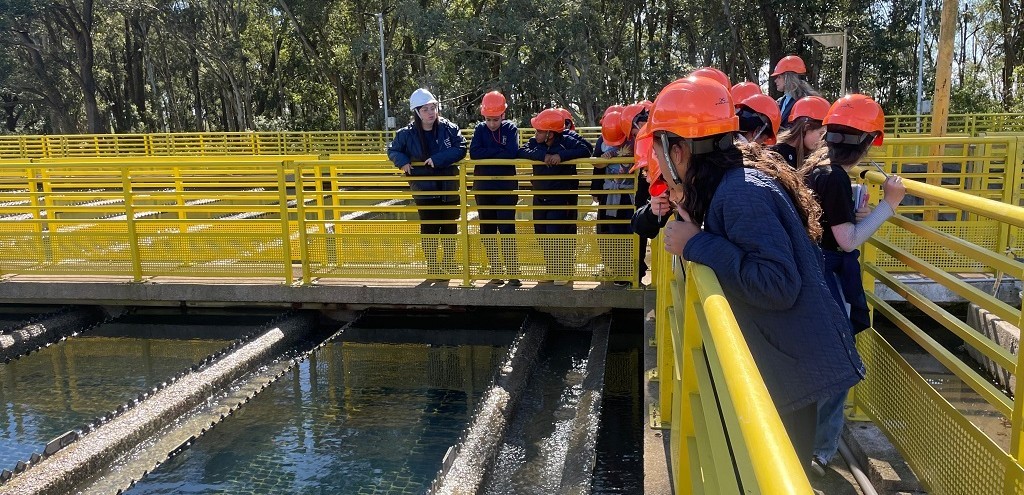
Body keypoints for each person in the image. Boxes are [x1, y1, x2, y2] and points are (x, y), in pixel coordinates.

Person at [645, 75, 865, 466]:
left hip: (790, 377)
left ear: (678, 151)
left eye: (659, 149)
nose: (659, 162)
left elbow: (776, 283)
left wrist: (694, 243)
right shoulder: (736, 181)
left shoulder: (741, 192)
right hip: (787, 366)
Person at [803, 94, 906, 476]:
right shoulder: (833, 177)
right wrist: (888, 205)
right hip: (830, 279)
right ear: (866, 143)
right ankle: (820, 452)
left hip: (812, 274)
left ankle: (809, 444)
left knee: (817, 361)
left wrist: (853, 210)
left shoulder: (817, 169)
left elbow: (831, 222)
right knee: (839, 366)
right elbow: (846, 240)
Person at [387, 88, 467, 282]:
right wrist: (402, 160)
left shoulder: (448, 128)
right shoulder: (407, 133)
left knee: (449, 225)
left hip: (448, 186)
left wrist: (438, 159)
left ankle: (449, 263)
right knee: (430, 226)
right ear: (417, 112)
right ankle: (433, 266)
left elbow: (461, 147)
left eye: (433, 108)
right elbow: (392, 150)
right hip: (424, 188)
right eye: (425, 109)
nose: (431, 112)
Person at [519, 108, 592, 285]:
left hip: (560, 197)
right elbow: (521, 151)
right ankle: (551, 270)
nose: (536, 134)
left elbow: (587, 149)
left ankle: (563, 271)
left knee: (558, 234)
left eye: (539, 131)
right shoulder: (534, 142)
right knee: (542, 233)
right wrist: (544, 156)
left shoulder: (568, 140)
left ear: (550, 134)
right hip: (540, 196)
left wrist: (561, 156)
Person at [469, 91, 521, 286]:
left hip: (505, 186)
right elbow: (474, 153)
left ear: (503, 115)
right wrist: (497, 152)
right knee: (487, 227)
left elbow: (512, 153)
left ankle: (513, 270)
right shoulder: (480, 130)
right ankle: (495, 269)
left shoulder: (510, 128)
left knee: (507, 226)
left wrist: (489, 154)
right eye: (488, 119)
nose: (492, 123)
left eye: (496, 119)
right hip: (483, 186)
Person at [594, 108, 633, 286]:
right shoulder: (601, 141)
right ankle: (610, 266)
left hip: (628, 194)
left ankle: (626, 271)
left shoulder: (634, 139)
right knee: (607, 230)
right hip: (608, 192)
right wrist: (595, 191)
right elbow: (597, 165)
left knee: (626, 231)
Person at [771, 96, 830, 168]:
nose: (822, 140)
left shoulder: (811, 156)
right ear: (806, 127)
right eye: (821, 134)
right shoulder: (776, 154)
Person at [772, 55, 820, 128]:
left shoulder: (805, 101)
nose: (775, 81)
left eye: (779, 77)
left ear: (788, 77)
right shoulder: (782, 101)